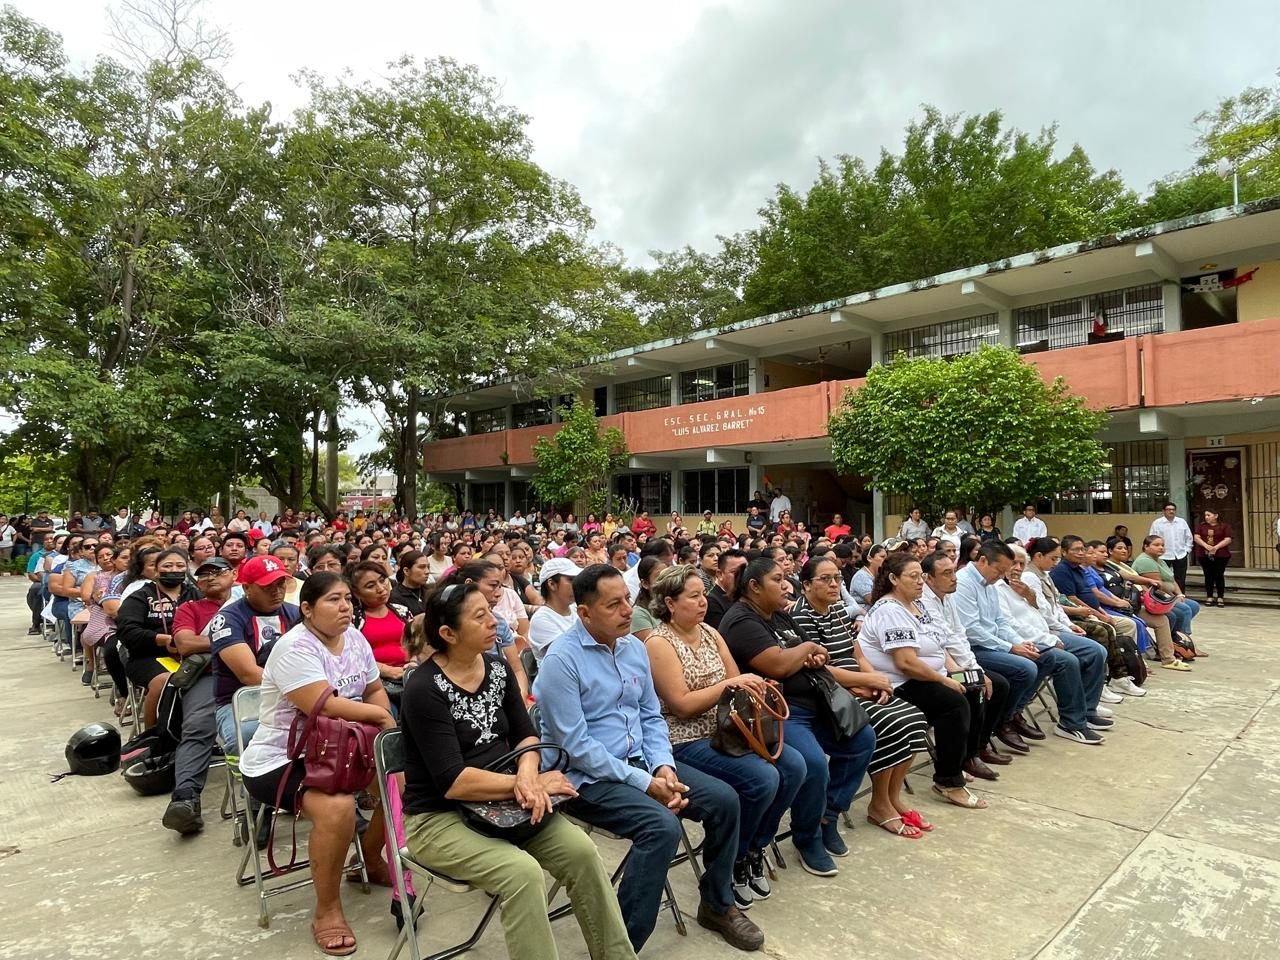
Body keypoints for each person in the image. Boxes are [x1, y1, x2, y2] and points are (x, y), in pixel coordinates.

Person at [534, 565, 765, 952]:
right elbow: (576, 746)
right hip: (586, 777)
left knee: (725, 800)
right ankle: (620, 946)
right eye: (614, 605)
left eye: (627, 600)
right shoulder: (562, 660)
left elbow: (650, 716)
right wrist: (646, 783)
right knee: (661, 829)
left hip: (642, 761)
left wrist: (663, 766)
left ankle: (716, 904)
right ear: (585, 613)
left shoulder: (633, 648)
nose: (628, 610)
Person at [398, 582, 635, 959]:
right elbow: (453, 781)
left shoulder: (495, 667)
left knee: (583, 853)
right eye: (480, 617)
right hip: (440, 818)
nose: (494, 620)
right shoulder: (424, 688)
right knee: (521, 874)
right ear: (448, 633)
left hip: (508, 805)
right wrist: (525, 784)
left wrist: (527, 777)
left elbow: (527, 734)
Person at [238, 572, 395, 957]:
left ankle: (370, 859)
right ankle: (327, 911)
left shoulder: (355, 639)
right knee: (338, 808)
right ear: (306, 609)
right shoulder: (294, 648)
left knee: (400, 782)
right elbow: (322, 705)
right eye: (332, 600)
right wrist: (382, 720)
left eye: (347, 599)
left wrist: (382, 718)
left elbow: (374, 688)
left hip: (346, 750)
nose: (344, 607)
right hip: (283, 757)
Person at [644, 565, 806, 908]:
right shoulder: (659, 642)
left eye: (703, 595)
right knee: (762, 779)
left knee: (794, 766)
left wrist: (757, 685)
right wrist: (730, 685)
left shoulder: (709, 633)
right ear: (670, 603)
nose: (704, 602)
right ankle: (732, 857)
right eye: (694, 597)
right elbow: (682, 705)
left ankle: (751, 847)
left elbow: (738, 681)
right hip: (684, 739)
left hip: (727, 728)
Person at [719, 557, 876, 877]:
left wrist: (805, 654)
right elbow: (779, 664)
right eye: (777, 580)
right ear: (753, 587)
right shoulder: (741, 621)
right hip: (779, 713)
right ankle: (808, 838)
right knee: (814, 763)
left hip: (817, 702)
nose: (785, 585)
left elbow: (814, 656)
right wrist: (805, 652)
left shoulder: (778, 616)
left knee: (862, 738)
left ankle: (828, 815)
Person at [792, 557, 929, 838]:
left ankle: (892, 797)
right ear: (806, 585)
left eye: (837, 579)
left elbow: (856, 653)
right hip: (829, 693)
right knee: (890, 724)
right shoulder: (799, 615)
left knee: (916, 718)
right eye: (826, 579)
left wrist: (877, 680)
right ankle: (879, 803)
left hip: (857, 684)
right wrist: (865, 681)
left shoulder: (838, 609)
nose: (834, 584)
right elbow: (817, 667)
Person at [859, 551, 1002, 810]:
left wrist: (958, 671)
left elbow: (939, 645)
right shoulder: (890, 610)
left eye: (921, 576)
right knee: (954, 703)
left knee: (975, 686)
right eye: (912, 577)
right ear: (893, 578)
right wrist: (945, 681)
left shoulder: (918, 604)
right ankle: (948, 781)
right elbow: (906, 663)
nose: (920, 582)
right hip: (899, 683)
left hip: (928, 673)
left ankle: (961, 760)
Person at [954, 541, 1108, 750]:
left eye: (1017, 565)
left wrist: (1019, 643)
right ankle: (1005, 720)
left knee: (1047, 656)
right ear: (982, 561)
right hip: (975, 647)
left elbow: (1001, 623)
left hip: (1001, 640)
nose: (1004, 575)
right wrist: (1011, 647)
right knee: (1026, 667)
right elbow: (972, 630)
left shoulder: (991, 582)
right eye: (1001, 570)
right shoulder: (965, 583)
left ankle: (1013, 714)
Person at [162, 556, 239, 834]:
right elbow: (185, 643)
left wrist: (213, 643)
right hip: (209, 676)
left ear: (234, 575)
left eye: (217, 572)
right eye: (203, 575)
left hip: (254, 673)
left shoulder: (249, 603)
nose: (209, 578)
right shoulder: (190, 608)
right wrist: (234, 639)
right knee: (197, 727)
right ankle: (185, 798)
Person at [209, 555, 302, 753]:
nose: (277, 592)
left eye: (281, 584)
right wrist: (302, 688)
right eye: (268, 587)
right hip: (242, 701)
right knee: (243, 736)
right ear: (246, 588)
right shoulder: (227, 619)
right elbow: (248, 674)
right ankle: (248, 781)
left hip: (294, 695)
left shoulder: (296, 614)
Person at [115, 548, 200, 726]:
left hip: (192, 654)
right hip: (150, 656)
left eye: (179, 566)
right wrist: (162, 639)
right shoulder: (140, 597)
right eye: (167, 566)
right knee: (166, 681)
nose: (174, 570)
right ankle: (152, 735)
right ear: (156, 570)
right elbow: (127, 632)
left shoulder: (195, 595)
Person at [1131, 535, 1201, 645]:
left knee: (1194, 605)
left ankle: (1175, 637)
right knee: (1185, 609)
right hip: (1156, 598)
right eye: (1156, 545)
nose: (1161, 548)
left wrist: (1179, 595)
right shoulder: (1145, 561)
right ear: (1146, 547)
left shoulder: (1160, 560)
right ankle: (1184, 642)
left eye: (1162, 545)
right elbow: (1158, 585)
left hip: (1168, 595)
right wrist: (1173, 598)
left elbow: (1172, 579)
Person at [528, 557, 579, 661]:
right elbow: (570, 654)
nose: (577, 585)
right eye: (571, 580)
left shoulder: (576, 610)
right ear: (552, 584)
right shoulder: (541, 619)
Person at [1148, 501, 1193, 593]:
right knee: (1163, 578)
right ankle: (1165, 596)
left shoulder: (1181, 522)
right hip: (1164, 555)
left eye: (1173, 510)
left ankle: (1181, 596)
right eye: (1168, 510)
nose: (1171, 511)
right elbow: (1152, 538)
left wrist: (1187, 550)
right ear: (1163, 511)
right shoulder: (1157, 523)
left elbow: (1189, 537)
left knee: (1180, 578)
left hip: (1180, 554)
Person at [1194, 509, 1232, 607]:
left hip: (1221, 554)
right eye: (1205, 515)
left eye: (1209, 515)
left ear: (1216, 515)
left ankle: (1220, 597)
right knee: (1208, 575)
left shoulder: (1224, 526)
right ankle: (1209, 596)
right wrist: (1206, 546)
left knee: (1219, 575)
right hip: (1204, 554)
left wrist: (1216, 547)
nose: (1206, 517)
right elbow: (1196, 537)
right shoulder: (1201, 526)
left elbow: (1228, 539)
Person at [705, 548, 748, 630]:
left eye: (745, 571)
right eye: (735, 572)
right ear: (720, 574)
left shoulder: (747, 595)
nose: (742, 576)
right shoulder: (712, 603)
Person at [628, 555, 667, 641]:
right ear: (645, 583)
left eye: (667, 576)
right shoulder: (638, 614)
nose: (665, 581)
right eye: (659, 577)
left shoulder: (670, 605)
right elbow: (655, 647)